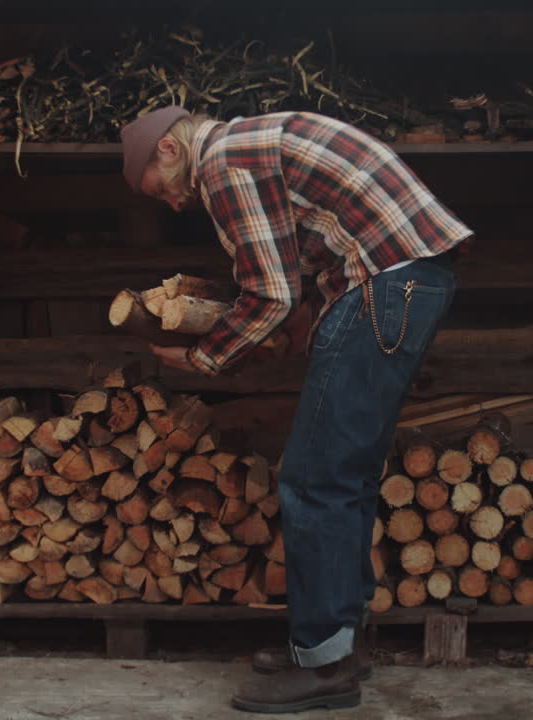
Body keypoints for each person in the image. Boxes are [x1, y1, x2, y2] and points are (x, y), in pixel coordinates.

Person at [120, 105, 472, 713]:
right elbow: (296, 273)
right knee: (346, 474)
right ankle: (335, 645)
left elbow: (271, 293)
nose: (176, 205)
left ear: (171, 152)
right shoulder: (251, 142)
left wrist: (208, 358)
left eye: (165, 192)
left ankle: (325, 664)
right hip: (404, 279)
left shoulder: (225, 161)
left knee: (313, 478)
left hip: (383, 283)